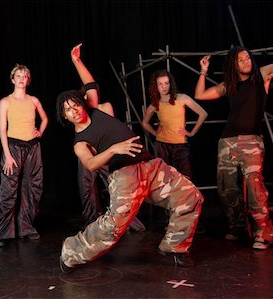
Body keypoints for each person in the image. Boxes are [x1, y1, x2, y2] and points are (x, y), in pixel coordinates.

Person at [56, 46, 204, 272]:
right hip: (125, 176)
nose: (74, 110)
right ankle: (71, 252)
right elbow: (92, 164)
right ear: (64, 116)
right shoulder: (80, 141)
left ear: (82, 102)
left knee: (190, 196)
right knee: (114, 227)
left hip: (150, 166)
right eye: (68, 109)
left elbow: (90, 84)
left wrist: (76, 60)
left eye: (75, 104)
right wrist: (114, 148)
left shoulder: (95, 110)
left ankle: (175, 247)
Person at [194, 46, 273, 250]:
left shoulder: (262, 74)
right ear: (234, 64)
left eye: (247, 57)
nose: (247, 61)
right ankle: (238, 226)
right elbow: (200, 95)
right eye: (241, 60)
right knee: (226, 188)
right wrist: (203, 71)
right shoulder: (229, 85)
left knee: (254, 187)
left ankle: (263, 233)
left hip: (252, 141)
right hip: (227, 141)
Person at [71, 43, 146, 232]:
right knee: (87, 188)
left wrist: (77, 61)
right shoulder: (79, 115)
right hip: (90, 156)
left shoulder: (104, 108)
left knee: (116, 187)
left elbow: (108, 132)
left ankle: (129, 221)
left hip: (105, 154)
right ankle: (92, 221)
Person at [142, 69, 208, 229]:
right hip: (162, 145)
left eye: (166, 83)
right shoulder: (155, 104)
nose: (164, 87)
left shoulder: (182, 98)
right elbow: (145, 123)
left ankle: (189, 218)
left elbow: (203, 113)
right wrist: (154, 131)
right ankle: (170, 220)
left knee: (186, 180)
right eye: (160, 84)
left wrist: (191, 132)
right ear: (155, 86)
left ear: (170, 83)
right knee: (165, 182)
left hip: (180, 146)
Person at [0, 64, 48, 248]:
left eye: (25, 76)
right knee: (8, 190)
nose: (21, 78)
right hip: (13, 147)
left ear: (28, 79)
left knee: (32, 187)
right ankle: (2, 232)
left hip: (32, 147)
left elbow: (45, 118)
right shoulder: (5, 102)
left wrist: (40, 131)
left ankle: (26, 227)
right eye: (18, 75)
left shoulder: (33, 100)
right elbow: (2, 131)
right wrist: (7, 155)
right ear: (13, 79)